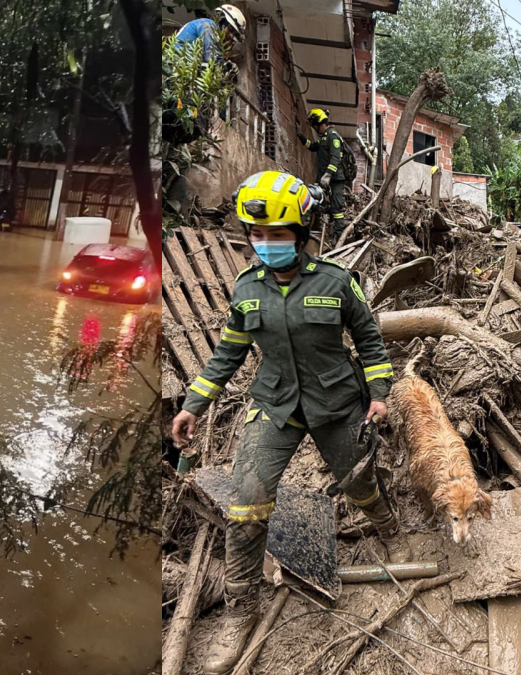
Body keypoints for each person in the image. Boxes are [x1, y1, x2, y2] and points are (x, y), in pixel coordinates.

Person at [171, 171, 409, 674]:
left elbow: (369, 342)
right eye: (256, 235)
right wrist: (194, 403)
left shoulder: (337, 282)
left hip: (337, 403)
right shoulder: (245, 290)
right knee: (246, 504)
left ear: (300, 236)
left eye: (276, 235)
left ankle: (386, 524)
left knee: (359, 482)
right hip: (274, 406)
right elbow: (227, 355)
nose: (264, 245)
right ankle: (241, 609)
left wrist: (381, 396)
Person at [299, 108, 349, 241]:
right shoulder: (324, 138)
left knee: (337, 209)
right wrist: (302, 138)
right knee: (316, 202)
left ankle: (339, 238)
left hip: (335, 179)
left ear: (319, 123)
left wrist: (328, 175)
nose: (315, 129)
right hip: (323, 179)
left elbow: (335, 158)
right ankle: (317, 231)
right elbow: (314, 146)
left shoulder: (333, 136)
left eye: (315, 126)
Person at [172, 5, 246, 67]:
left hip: (185, 67)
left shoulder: (215, 40)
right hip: (175, 65)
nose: (231, 35)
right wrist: (225, 66)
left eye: (234, 34)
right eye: (230, 29)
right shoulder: (208, 25)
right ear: (222, 21)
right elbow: (211, 58)